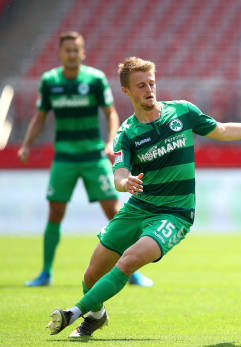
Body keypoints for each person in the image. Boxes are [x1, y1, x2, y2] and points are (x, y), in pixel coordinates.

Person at [46, 56, 241, 337]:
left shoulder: (181, 112)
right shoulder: (126, 134)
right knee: (91, 275)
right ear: (127, 91)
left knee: (128, 262)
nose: (149, 89)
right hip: (138, 208)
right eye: (140, 85)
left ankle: (74, 313)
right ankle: (97, 315)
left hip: (174, 214)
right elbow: (118, 173)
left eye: (151, 83)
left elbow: (223, 130)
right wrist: (124, 182)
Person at [18, 31, 153, 287]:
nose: (71, 54)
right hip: (65, 158)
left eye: (76, 50)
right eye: (67, 50)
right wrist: (26, 145)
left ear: (83, 53)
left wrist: (110, 141)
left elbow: (111, 113)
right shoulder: (50, 81)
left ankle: (131, 270)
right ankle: (45, 273)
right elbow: (40, 117)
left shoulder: (94, 79)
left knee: (115, 213)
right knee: (55, 211)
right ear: (60, 54)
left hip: (94, 156)